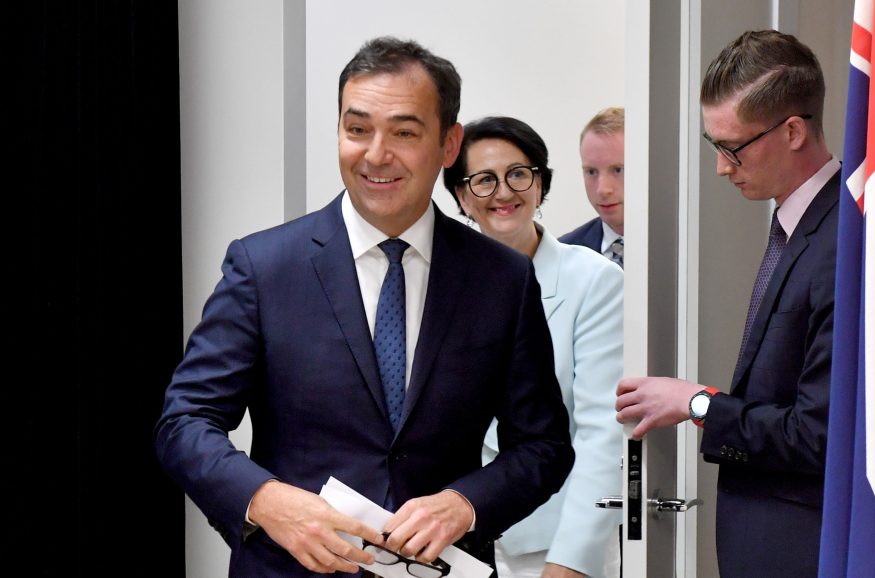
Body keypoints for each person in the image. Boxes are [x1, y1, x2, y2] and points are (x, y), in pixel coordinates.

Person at [154, 37, 574, 577]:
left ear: (449, 145)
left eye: (404, 132)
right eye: (357, 130)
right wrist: (265, 500)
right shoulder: (264, 267)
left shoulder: (503, 279)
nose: (376, 154)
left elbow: (542, 445)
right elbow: (185, 421)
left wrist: (466, 504)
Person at [614, 30, 840, 577]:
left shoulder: (843, 242)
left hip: (803, 549)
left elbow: (819, 436)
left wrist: (697, 403)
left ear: (792, 131)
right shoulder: (799, 226)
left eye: (732, 148)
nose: (721, 167)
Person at [443, 116, 623, 578]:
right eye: (483, 180)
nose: (503, 193)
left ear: (540, 184)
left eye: (518, 174)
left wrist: (570, 561)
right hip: (453, 542)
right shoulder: (438, 285)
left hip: (555, 544)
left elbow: (602, 435)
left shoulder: (594, 281)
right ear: (462, 197)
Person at [559, 107, 625, 268]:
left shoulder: (682, 245)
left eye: (617, 170)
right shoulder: (563, 256)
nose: (603, 189)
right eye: (591, 172)